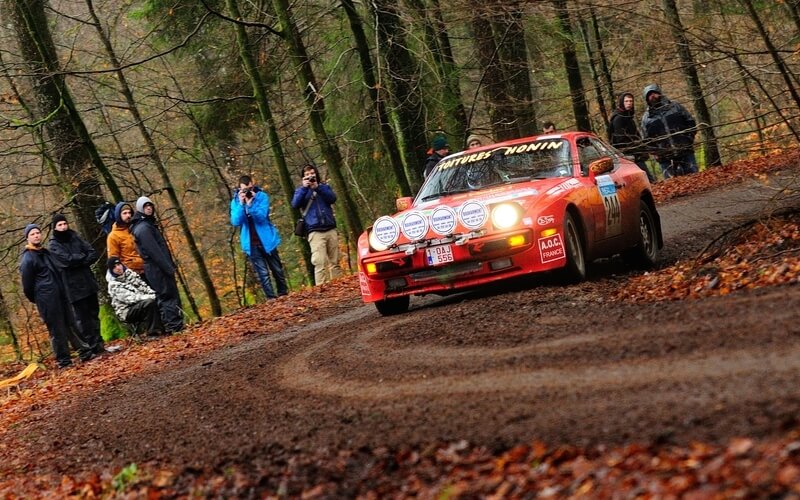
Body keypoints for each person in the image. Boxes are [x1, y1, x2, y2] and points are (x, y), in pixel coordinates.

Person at [20, 224, 94, 368]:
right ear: (27, 238)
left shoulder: (46, 253)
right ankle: (63, 361)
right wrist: (40, 298)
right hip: (46, 300)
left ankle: (85, 352)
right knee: (57, 329)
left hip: (61, 294)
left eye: (37, 233)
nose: (36, 235)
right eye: (33, 234)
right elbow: (27, 286)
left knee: (71, 324)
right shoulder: (27, 259)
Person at [48, 214, 104, 355]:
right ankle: (89, 347)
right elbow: (65, 261)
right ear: (55, 227)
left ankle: (99, 344)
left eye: (64, 224)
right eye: (60, 225)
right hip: (73, 288)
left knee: (94, 315)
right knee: (82, 319)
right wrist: (81, 258)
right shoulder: (54, 245)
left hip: (88, 282)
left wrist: (78, 260)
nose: (63, 227)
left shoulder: (75, 237)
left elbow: (91, 253)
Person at [129, 196, 184, 333]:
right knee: (167, 296)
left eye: (150, 206)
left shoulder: (147, 225)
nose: (149, 208)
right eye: (146, 206)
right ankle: (174, 326)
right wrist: (168, 268)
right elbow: (155, 252)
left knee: (166, 296)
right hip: (156, 268)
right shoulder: (143, 228)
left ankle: (172, 325)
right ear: (141, 208)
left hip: (157, 267)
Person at [230, 175, 289, 299]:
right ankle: (271, 298)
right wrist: (242, 204)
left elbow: (262, 217)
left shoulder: (262, 197)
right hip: (251, 243)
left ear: (253, 185)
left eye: (249, 189)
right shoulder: (236, 201)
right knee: (263, 274)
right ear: (239, 189)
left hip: (267, 240)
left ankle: (283, 294)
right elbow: (236, 221)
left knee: (277, 269)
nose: (248, 192)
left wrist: (251, 205)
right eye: (245, 190)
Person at [291, 164, 342, 285]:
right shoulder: (300, 191)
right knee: (319, 262)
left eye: (312, 174)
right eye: (307, 175)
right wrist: (304, 188)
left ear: (316, 174)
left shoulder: (323, 187)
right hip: (314, 231)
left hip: (330, 228)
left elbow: (332, 198)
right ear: (303, 178)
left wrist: (318, 187)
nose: (310, 177)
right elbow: (295, 204)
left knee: (334, 261)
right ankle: (321, 289)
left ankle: (339, 285)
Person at [640, 84, 698, 178]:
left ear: (659, 93)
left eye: (654, 93)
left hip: (685, 149)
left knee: (694, 177)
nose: (653, 96)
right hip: (664, 157)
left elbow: (690, 122)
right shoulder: (647, 118)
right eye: (649, 95)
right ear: (646, 99)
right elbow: (646, 140)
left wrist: (689, 139)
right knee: (671, 184)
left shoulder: (675, 107)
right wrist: (656, 152)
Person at [106, 256, 164, 337]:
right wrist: (151, 297)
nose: (118, 268)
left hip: (141, 303)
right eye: (114, 267)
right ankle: (153, 333)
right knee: (149, 303)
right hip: (127, 311)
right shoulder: (113, 285)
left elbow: (145, 287)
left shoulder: (131, 274)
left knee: (160, 298)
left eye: (119, 264)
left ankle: (165, 327)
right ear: (111, 270)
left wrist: (154, 295)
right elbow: (131, 299)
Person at [608, 92, 656, 182]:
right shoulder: (619, 118)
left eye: (631, 101)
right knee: (646, 179)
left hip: (635, 153)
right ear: (622, 102)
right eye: (626, 101)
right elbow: (620, 140)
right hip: (628, 156)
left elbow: (635, 135)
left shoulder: (628, 117)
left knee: (645, 178)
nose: (629, 103)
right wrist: (635, 151)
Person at [107, 201, 145, 278]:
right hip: (132, 274)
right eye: (124, 213)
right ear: (118, 215)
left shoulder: (135, 229)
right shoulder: (113, 236)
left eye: (129, 213)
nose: (128, 215)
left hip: (147, 268)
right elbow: (114, 259)